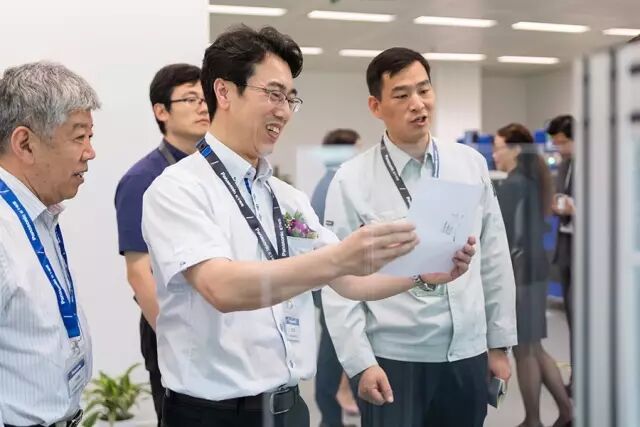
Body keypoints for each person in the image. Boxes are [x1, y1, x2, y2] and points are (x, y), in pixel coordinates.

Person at [141, 25, 475, 427]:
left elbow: (348, 281)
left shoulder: (285, 197)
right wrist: (339, 258)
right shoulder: (178, 189)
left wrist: (420, 276)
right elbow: (221, 288)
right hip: (214, 414)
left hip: (288, 407)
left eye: (290, 98)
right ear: (224, 92)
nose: (284, 111)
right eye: (273, 94)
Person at [321, 47, 517, 427]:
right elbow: (337, 282)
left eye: (424, 90)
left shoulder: (469, 164)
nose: (418, 103)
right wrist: (360, 362)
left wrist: (498, 344)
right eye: (401, 95)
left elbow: (494, 256)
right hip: (394, 358)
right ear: (376, 106)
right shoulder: (352, 180)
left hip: (466, 353)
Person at [0, 61, 100, 427]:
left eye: (90, 137)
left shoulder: (39, 215)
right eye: (79, 137)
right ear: (25, 144)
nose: (90, 152)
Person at [114, 63, 209, 426]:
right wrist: (178, 342)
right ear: (161, 111)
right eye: (190, 99)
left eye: (205, 98)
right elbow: (139, 273)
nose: (203, 107)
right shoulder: (142, 179)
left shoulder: (213, 171)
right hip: (173, 331)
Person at [493, 123, 573, 427]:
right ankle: (565, 413)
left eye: (498, 148)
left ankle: (534, 419)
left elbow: (503, 235)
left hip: (521, 273)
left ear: (515, 150)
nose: (495, 155)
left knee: (525, 348)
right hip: (533, 268)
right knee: (534, 346)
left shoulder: (514, 185)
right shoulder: (531, 180)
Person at [310, 129, 361, 427]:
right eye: (357, 149)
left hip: (333, 283)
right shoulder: (336, 185)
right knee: (334, 351)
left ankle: (332, 414)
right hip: (336, 284)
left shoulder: (327, 183)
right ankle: (330, 417)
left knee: (335, 348)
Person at [547, 114, 575, 395]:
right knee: (573, 319)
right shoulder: (565, 165)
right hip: (566, 249)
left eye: (563, 142)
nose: (559, 148)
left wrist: (577, 209)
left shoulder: (597, 165)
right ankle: (577, 378)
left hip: (588, 253)